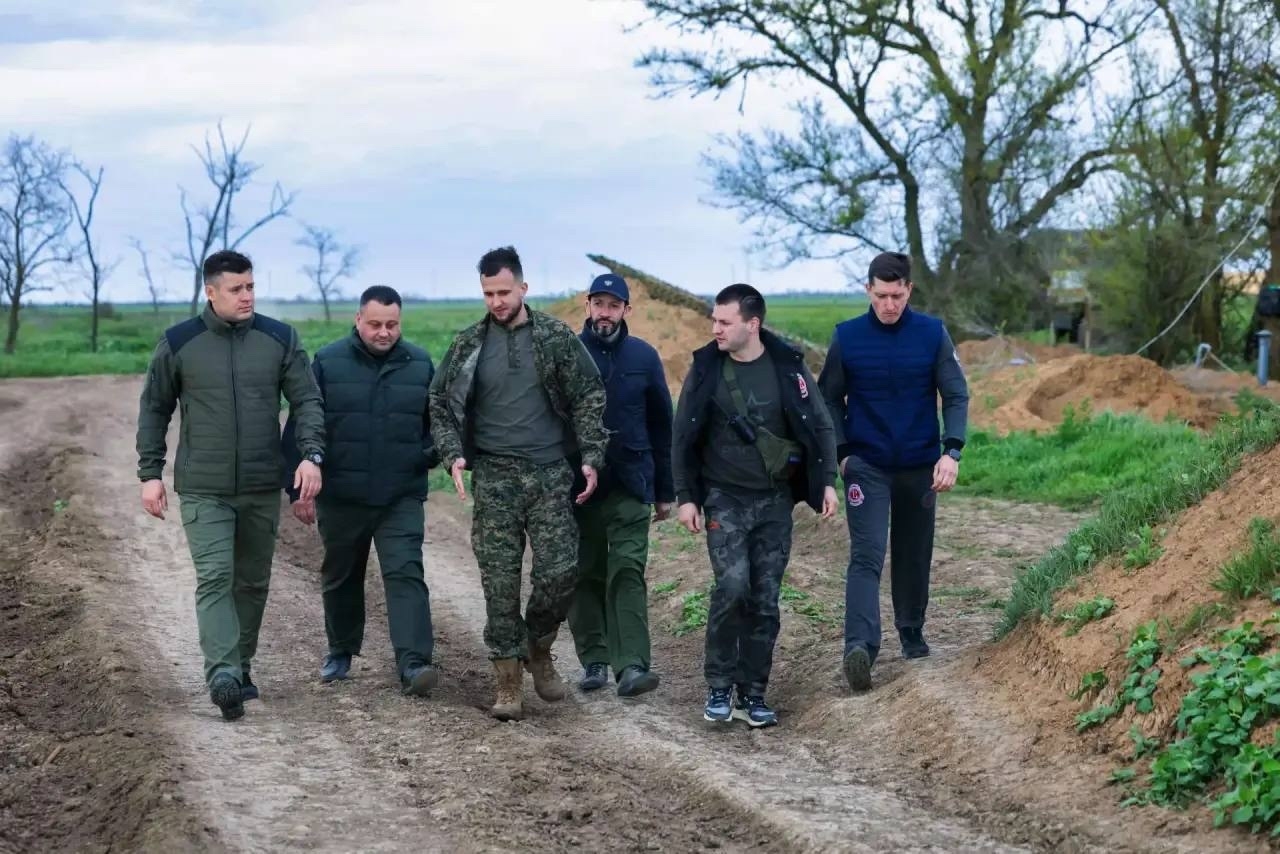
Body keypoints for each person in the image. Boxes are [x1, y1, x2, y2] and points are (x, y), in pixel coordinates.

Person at [136, 249, 325, 721]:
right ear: (211, 292)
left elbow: (307, 400)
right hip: (205, 486)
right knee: (216, 577)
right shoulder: (180, 343)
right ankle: (222, 674)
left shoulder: (279, 338)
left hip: (261, 483)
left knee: (252, 581)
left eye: (251, 286)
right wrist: (151, 473)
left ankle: (240, 666)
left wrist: (310, 455)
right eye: (236, 289)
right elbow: (155, 408)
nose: (247, 296)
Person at [428, 246, 607, 721]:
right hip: (494, 477)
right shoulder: (469, 344)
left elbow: (588, 394)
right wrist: (453, 454)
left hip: (550, 473)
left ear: (523, 288)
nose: (496, 302)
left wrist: (591, 456)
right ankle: (507, 680)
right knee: (500, 582)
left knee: (559, 572)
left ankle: (539, 645)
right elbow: (440, 401)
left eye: (504, 292)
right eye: (488, 294)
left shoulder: (554, 337)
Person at [673, 284, 839, 728]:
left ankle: (753, 693)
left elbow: (820, 425)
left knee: (765, 600)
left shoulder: (788, 366)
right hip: (723, 497)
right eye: (714, 320)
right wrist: (687, 496)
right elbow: (682, 433)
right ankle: (719, 686)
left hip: (774, 502)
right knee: (732, 587)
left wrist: (826, 482)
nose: (716, 329)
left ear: (753, 324)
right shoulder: (707, 367)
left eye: (724, 322)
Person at [817, 251, 970, 692]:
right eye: (881, 295)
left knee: (913, 550)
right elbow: (829, 399)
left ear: (909, 290)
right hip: (866, 464)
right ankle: (859, 647)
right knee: (867, 554)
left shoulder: (932, 334)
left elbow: (955, 395)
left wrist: (951, 451)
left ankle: (911, 629)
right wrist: (842, 453)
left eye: (897, 296)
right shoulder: (847, 337)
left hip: (921, 464)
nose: (889, 304)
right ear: (868, 290)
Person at [282, 285, 440, 698]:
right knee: (341, 575)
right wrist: (298, 490)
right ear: (358, 320)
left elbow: (438, 424)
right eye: (375, 324)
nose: (384, 332)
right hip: (342, 495)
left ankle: (414, 663)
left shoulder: (420, 364)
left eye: (392, 325)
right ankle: (341, 650)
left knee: (406, 572)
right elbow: (303, 423)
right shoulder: (328, 362)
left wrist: (426, 455)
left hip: (400, 495)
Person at [568, 273, 674, 698]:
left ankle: (631, 665)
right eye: (599, 304)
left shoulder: (644, 357)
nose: (605, 313)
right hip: (577, 488)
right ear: (588, 306)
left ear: (627, 310)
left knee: (627, 570)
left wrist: (665, 490)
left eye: (614, 306)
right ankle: (595, 659)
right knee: (585, 572)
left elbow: (662, 426)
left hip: (632, 482)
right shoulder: (568, 353)